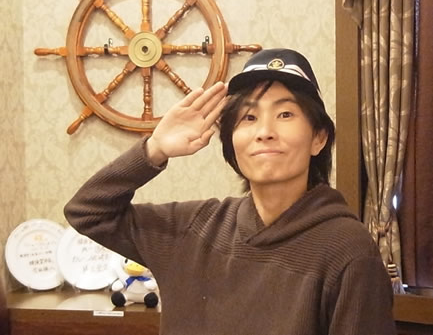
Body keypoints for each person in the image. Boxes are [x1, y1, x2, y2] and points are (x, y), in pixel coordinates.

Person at [64, 48, 396, 335]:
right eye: (249, 117)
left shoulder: (348, 251)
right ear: (231, 143)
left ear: (318, 138)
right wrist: (155, 149)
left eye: (285, 114)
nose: (265, 131)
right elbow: (88, 213)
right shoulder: (193, 228)